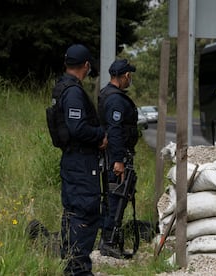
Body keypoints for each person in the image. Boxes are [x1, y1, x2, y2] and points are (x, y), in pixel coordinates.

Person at [55, 44, 107, 275]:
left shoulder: (62, 87)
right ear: (86, 65)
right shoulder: (74, 91)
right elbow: (77, 128)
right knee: (85, 213)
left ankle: (71, 266)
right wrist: (99, 137)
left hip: (73, 161)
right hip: (81, 163)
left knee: (74, 213)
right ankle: (78, 270)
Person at [98, 59, 139, 258]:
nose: (130, 79)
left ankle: (107, 239)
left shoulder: (106, 93)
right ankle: (109, 242)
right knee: (116, 196)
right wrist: (119, 160)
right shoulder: (115, 99)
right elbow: (114, 130)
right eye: (129, 75)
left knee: (112, 196)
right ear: (125, 76)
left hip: (112, 155)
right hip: (116, 157)